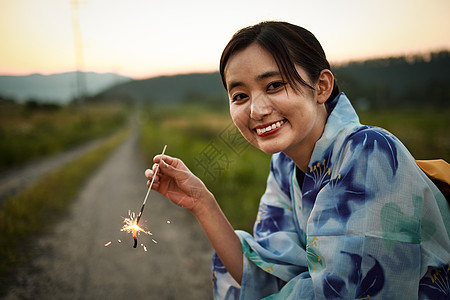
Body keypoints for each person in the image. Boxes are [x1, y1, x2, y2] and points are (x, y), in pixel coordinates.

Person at [145, 21, 450, 299]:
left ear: (321, 87)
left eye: (274, 85)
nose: (257, 110)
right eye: (240, 95)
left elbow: (346, 291)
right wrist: (203, 203)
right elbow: (265, 275)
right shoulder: (284, 165)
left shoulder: (368, 151)